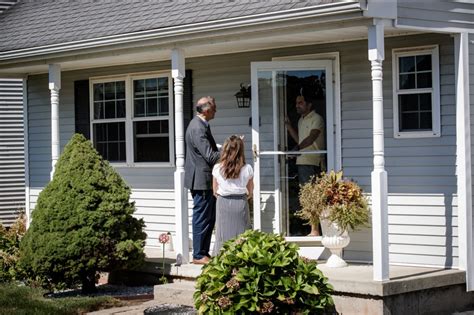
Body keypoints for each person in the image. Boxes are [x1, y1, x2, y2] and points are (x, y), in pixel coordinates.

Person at [184, 96, 220, 264]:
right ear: (206, 110)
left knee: (208, 217)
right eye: (214, 108)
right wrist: (230, 149)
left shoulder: (200, 125)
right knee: (202, 217)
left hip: (202, 178)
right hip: (201, 179)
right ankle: (198, 255)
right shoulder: (198, 128)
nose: (216, 111)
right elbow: (210, 157)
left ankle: (203, 252)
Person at [285, 94, 325, 235]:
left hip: (312, 162)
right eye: (296, 103)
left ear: (309, 105)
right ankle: (313, 229)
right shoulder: (301, 120)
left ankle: (315, 230)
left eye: (300, 103)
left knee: (312, 196)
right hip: (302, 161)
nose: (297, 105)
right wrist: (289, 126)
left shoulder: (317, 119)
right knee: (306, 196)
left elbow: (311, 138)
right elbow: (300, 140)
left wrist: (296, 150)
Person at [211, 135, 253, 255]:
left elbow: (214, 190)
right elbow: (250, 191)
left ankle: (222, 262)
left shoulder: (217, 168)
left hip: (223, 202)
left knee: (222, 235)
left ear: (225, 150)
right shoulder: (247, 168)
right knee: (242, 234)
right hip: (240, 202)